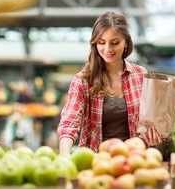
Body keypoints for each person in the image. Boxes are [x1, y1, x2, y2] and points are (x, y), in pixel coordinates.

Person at [58, 12, 163, 156]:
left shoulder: (140, 75)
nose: (107, 49)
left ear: (126, 42)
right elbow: (69, 123)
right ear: (95, 43)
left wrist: (152, 135)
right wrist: (64, 156)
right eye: (101, 42)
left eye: (115, 43)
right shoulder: (83, 80)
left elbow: (150, 122)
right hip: (95, 162)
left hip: (133, 160)